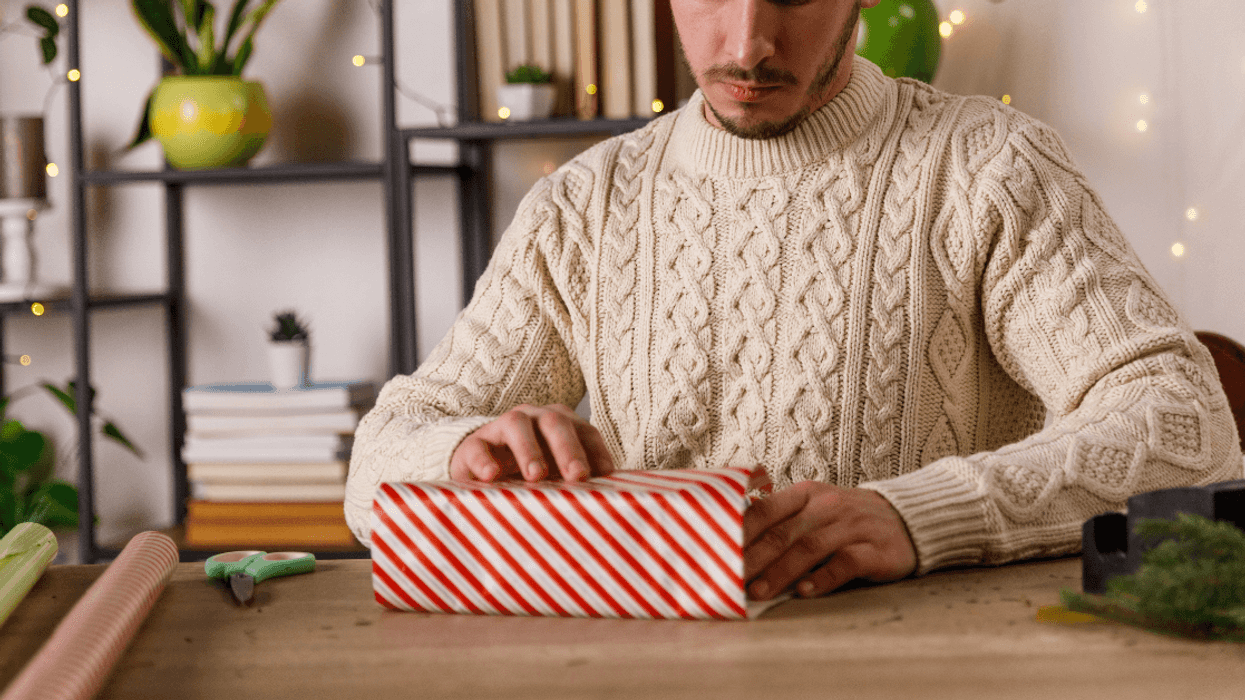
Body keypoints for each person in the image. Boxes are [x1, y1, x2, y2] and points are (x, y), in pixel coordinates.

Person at [345, 0, 1243, 601]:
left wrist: (921, 514)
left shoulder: (989, 167)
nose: (746, 45)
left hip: (936, 668)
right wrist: (462, 452)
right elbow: (374, 467)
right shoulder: (582, 205)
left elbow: (1184, 422)